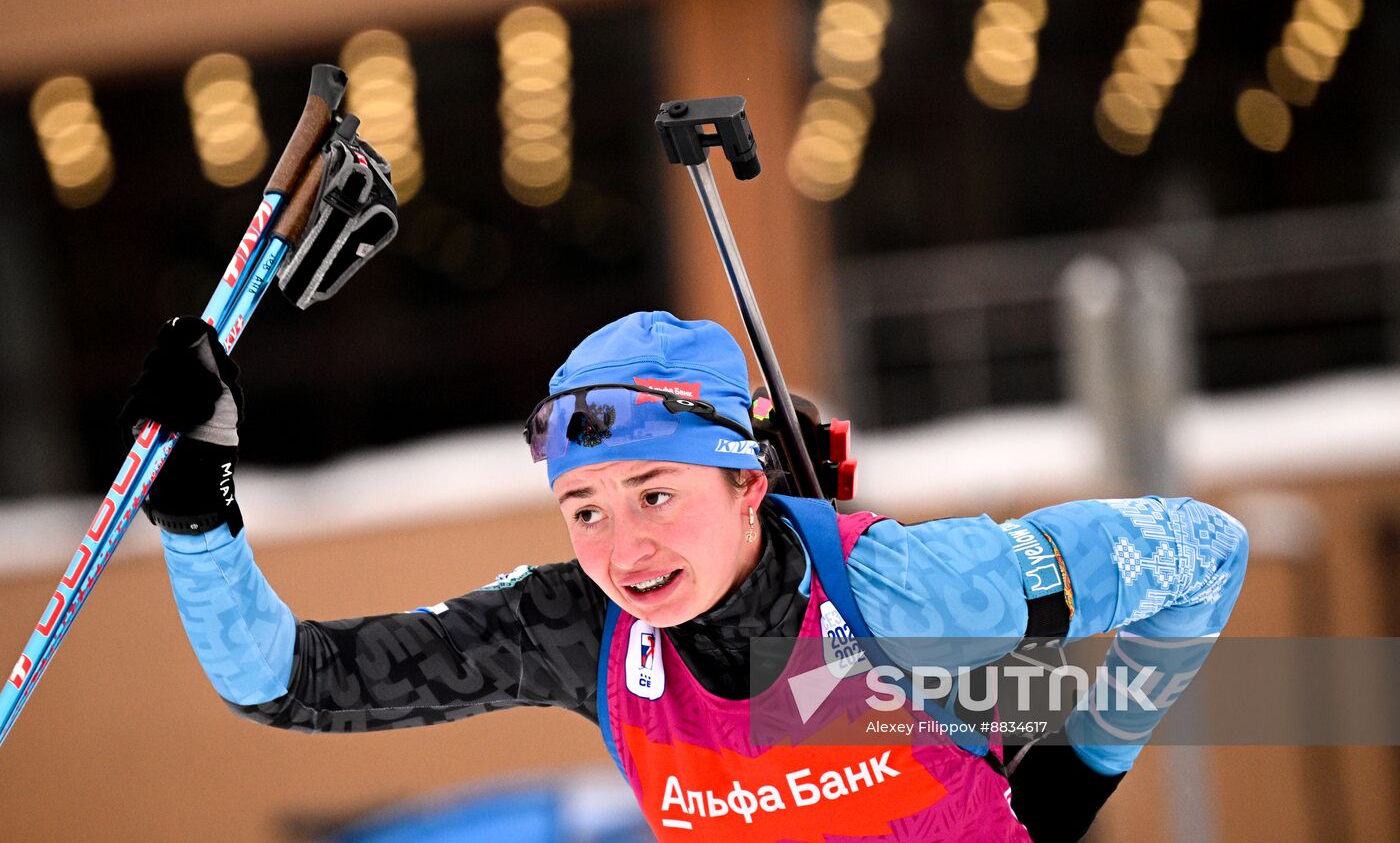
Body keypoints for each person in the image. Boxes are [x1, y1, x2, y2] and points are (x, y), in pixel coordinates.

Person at [124, 310, 1248, 842]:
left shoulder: (910, 590)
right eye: (585, 510)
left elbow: (1204, 551)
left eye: (655, 494)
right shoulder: (580, 629)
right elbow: (287, 680)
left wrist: (1083, 766)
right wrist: (196, 511)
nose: (624, 550)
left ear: (747, 484)